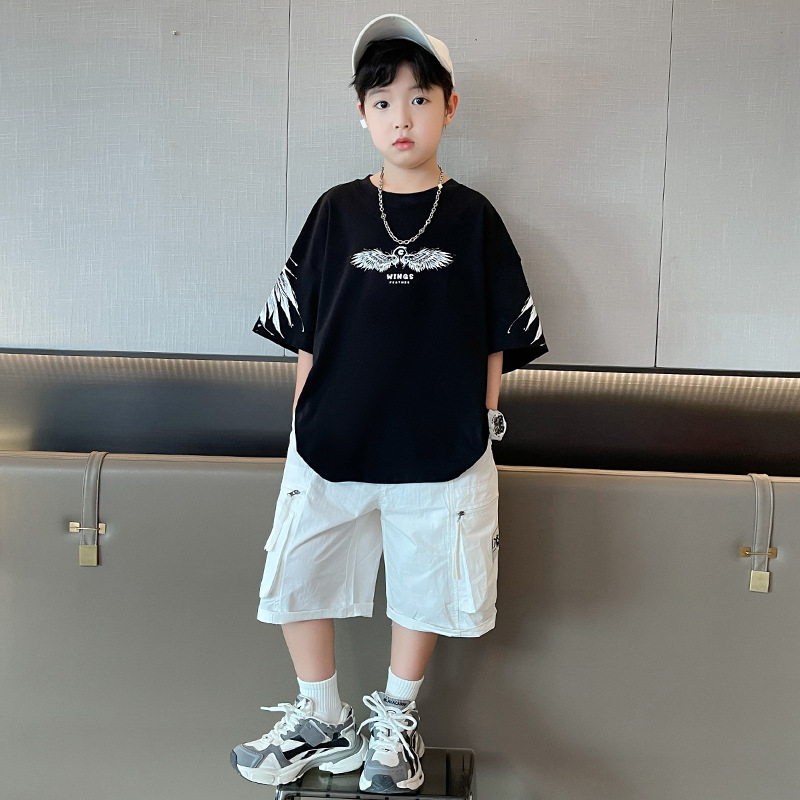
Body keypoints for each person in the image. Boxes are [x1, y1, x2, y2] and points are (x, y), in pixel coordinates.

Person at [231, 13, 548, 795]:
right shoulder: (334, 211)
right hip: (331, 436)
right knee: (296, 575)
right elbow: (305, 327)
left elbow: (498, 334)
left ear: (450, 107)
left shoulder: (474, 217)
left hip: (442, 442)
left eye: (419, 99)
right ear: (362, 114)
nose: (400, 117)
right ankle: (322, 718)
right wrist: (302, 418)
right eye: (382, 102)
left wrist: (483, 420)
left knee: (427, 580)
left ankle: (396, 722)